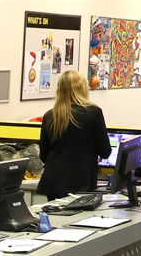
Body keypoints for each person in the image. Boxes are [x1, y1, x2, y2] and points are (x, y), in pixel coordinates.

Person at [38, 69, 111, 200]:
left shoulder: (50, 116)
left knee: (57, 213)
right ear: (82, 89)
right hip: (81, 183)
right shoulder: (93, 113)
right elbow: (105, 151)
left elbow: (43, 156)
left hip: (53, 184)